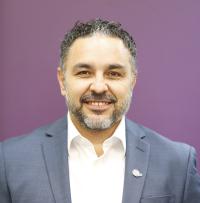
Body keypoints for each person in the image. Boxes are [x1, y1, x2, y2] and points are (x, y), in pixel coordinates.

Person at [0, 19, 199, 203]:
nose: (98, 87)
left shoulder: (178, 163)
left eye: (114, 74)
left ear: (132, 82)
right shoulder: (9, 162)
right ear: (62, 81)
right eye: (84, 72)